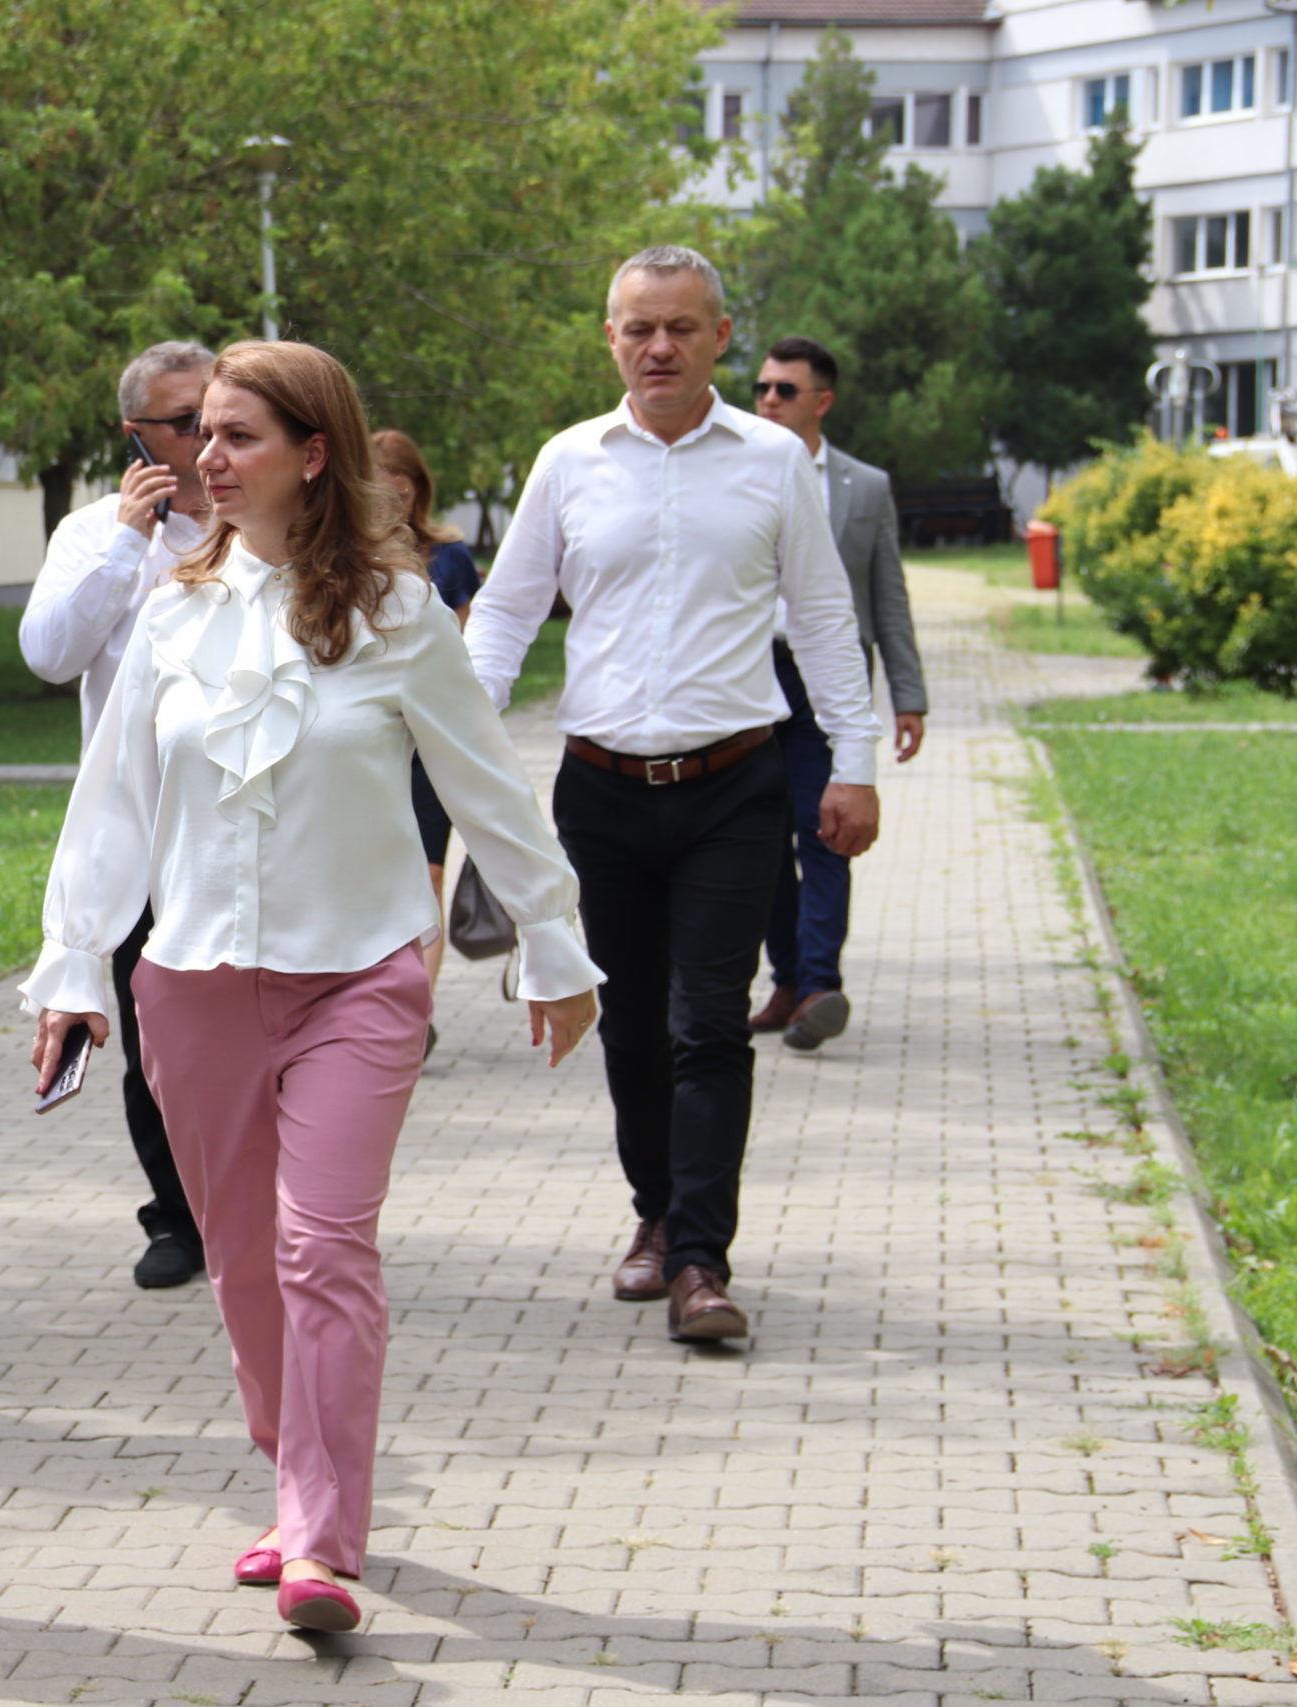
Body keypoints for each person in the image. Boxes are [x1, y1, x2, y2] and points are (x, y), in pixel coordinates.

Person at [23, 340, 601, 1633]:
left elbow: (490, 793)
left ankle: (324, 1537)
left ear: (312, 452)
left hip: (361, 978)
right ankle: (296, 1479)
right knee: (239, 1261)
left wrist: (557, 949)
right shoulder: (167, 608)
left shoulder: (399, 614)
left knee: (322, 1242)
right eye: (201, 436)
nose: (205, 459)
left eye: (235, 437)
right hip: (194, 984)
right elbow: (112, 808)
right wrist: (73, 969)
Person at [463, 247, 884, 1344]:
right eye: (636, 328)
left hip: (731, 789)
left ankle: (701, 1257)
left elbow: (826, 618)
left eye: (680, 329)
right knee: (632, 1029)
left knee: (708, 1023)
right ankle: (652, 1211)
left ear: (719, 339)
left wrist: (855, 763)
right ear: (608, 336)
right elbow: (505, 616)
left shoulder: (770, 462)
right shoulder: (565, 462)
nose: (658, 347)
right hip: (600, 793)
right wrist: (452, 747)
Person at [18, 340, 216, 1291]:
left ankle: (260, 1203)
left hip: (253, 826)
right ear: (135, 437)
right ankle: (178, 1215)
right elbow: (51, 655)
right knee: (158, 1042)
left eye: (219, 413)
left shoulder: (270, 520)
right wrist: (130, 547)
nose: (207, 436)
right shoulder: (96, 532)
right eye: (184, 422)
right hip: (142, 831)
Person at [745, 335, 929, 1052]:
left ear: (822, 400)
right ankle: (787, 980)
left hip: (830, 678)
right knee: (760, 839)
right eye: (761, 387)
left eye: (784, 390)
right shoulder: (738, 471)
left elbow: (890, 596)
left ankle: (821, 984)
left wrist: (907, 697)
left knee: (826, 831)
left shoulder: (864, 486)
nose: (767, 400)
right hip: (754, 678)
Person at [371, 429, 482, 1015]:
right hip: (364, 749)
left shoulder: (450, 559)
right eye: (379, 497)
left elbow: (467, 658)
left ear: (419, 492)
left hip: (427, 750)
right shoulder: (342, 563)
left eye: (402, 494)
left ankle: (418, 1012)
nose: (392, 510)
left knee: (428, 876)